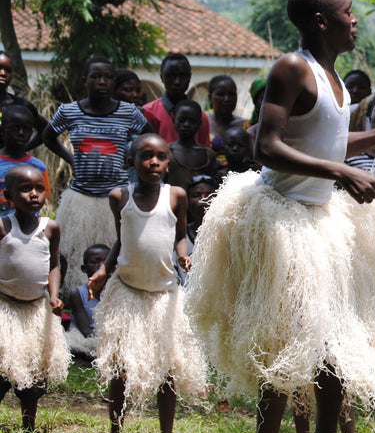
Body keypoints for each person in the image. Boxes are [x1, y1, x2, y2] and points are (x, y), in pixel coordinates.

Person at [187, 0, 375, 433]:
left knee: (334, 332)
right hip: (282, 219)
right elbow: (264, 146)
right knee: (286, 336)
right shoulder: (293, 68)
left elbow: (328, 139)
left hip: (321, 220)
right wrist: (341, 171)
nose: (355, 19)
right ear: (321, 21)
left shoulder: (335, 78)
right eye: (348, 11)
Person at [88, 134, 206, 433]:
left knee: (166, 369)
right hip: (127, 292)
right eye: (146, 156)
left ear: (168, 163)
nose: (154, 162)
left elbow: (181, 236)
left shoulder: (176, 196)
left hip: (164, 296)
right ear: (132, 161)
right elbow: (120, 240)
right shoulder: (119, 197)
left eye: (161, 157)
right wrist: (104, 271)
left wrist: (184, 256)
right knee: (120, 366)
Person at [42, 56, 151, 290]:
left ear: (114, 81)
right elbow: (48, 136)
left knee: (118, 259)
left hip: (117, 197)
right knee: (77, 258)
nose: (102, 81)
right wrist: (70, 158)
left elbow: (150, 137)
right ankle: (76, 304)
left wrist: (133, 159)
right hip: (80, 197)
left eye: (108, 77)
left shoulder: (127, 112)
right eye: (96, 76)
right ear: (85, 80)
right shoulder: (69, 111)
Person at [0, 164, 69, 433]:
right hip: (5, 307)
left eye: (39, 188)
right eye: (25, 189)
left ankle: (29, 426)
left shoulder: (50, 228)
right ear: (9, 195)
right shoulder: (4, 226)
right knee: (2, 370)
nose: (33, 194)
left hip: (36, 311)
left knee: (33, 374)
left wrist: (54, 296)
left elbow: (54, 265)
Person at [142, 53, 212, 147]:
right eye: (171, 76)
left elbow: (205, 154)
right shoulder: (148, 113)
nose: (177, 82)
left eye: (182, 76)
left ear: (189, 78)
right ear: (162, 77)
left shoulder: (200, 117)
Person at [0, 104, 50, 217]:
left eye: (26, 129)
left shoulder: (38, 167)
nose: (21, 133)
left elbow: (41, 198)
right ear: (3, 131)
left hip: (29, 230)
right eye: (15, 128)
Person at [65, 243, 110, 360]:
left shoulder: (116, 293)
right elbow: (86, 331)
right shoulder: (78, 294)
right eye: (94, 262)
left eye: (105, 262)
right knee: (77, 346)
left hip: (106, 336)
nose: (100, 266)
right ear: (84, 268)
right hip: (86, 337)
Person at [165, 100, 220, 189]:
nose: (186, 124)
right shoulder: (166, 153)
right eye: (182, 120)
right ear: (174, 120)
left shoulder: (207, 155)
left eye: (192, 121)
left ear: (199, 124)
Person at [0, 51, 47, 149]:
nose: (3, 73)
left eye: (8, 70)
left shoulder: (21, 106)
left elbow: (46, 130)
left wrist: (22, 150)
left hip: (12, 164)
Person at [207, 75, 248, 153]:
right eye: (221, 94)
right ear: (210, 98)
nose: (227, 99)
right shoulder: (202, 124)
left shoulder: (246, 126)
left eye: (231, 94)